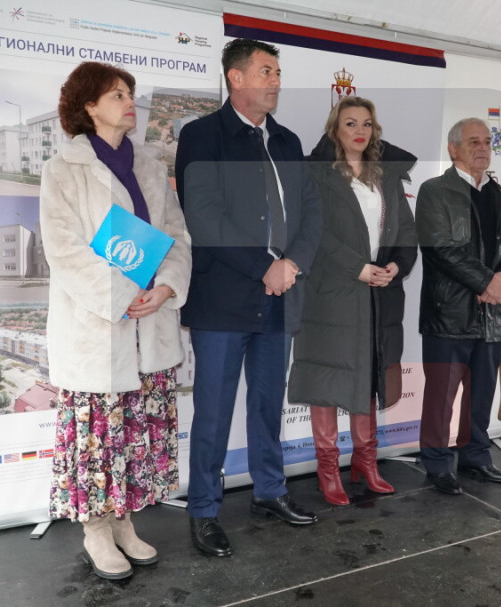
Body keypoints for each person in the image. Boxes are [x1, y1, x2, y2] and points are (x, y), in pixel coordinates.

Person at [41, 61, 192, 580]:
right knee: (98, 437)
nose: (130, 102)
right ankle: (97, 530)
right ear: (89, 106)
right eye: (117, 95)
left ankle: (125, 522)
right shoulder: (63, 168)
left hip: (150, 324)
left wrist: (166, 285)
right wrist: (124, 294)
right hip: (98, 326)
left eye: (130, 93)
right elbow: (64, 250)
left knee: (135, 434)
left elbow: (177, 235)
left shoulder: (150, 164)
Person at [174, 38, 323, 557]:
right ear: (235, 78)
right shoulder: (202, 135)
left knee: (266, 404)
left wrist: (291, 265)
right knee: (213, 412)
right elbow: (204, 216)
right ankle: (203, 510)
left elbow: (311, 211)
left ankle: (269, 492)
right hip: (223, 301)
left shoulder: (287, 140)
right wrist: (265, 267)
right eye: (266, 71)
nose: (276, 81)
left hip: (280, 296)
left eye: (278, 72)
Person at [288, 96, 418, 506]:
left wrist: (396, 265)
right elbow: (314, 233)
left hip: (379, 294)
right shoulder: (317, 175)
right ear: (335, 130)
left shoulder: (386, 175)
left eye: (366, 124)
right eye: (350, 123)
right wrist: (355, 268)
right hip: (331, 294)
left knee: (369, 377)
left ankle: (366, 461)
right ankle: (328, 469)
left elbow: (406, 231)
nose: (359, 131)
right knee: (326, 380)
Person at [416, 118, 501, 495]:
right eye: (472, 142)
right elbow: (440, 248)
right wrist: (486, 282)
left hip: (492, 315)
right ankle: (436, 462)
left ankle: (476, 457)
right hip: (449, 314)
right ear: (453, 149)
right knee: (441, 397)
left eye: (486, 142)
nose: (482, 148)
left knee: (481, 394)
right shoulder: (434, 191)